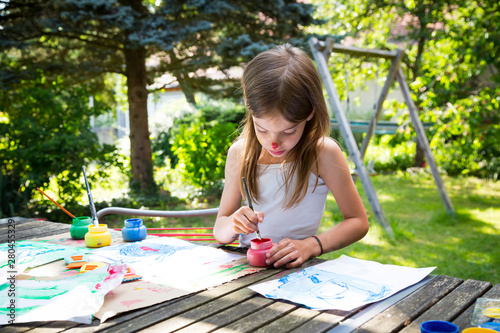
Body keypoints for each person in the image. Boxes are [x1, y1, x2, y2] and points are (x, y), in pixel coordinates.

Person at [214, 44, 369, 268]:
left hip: (295, 272)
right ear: (250, 109)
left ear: (310, 113)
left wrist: (310, 245)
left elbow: (358, 222)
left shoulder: (323, 153)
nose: (273, 142)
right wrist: (233, 224)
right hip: (246, 269)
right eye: (262, 129)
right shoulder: (240, 152)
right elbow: (220, 230)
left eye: (288, 131)